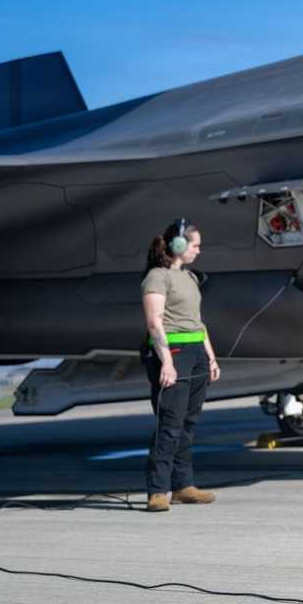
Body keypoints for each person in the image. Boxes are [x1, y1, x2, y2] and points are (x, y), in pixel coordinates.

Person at [139, 218, 220, 512]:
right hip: (172, 351)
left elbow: (197, 322)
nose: (198, 250)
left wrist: (210, 356)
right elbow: (154, 322)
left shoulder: (190, 277)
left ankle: (183, 486)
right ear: (178, 244)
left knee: (188, 423)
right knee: (170, 424)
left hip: (196, 352)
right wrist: (167, 362)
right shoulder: (157, 277)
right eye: (195, 245)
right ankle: (158, 490)